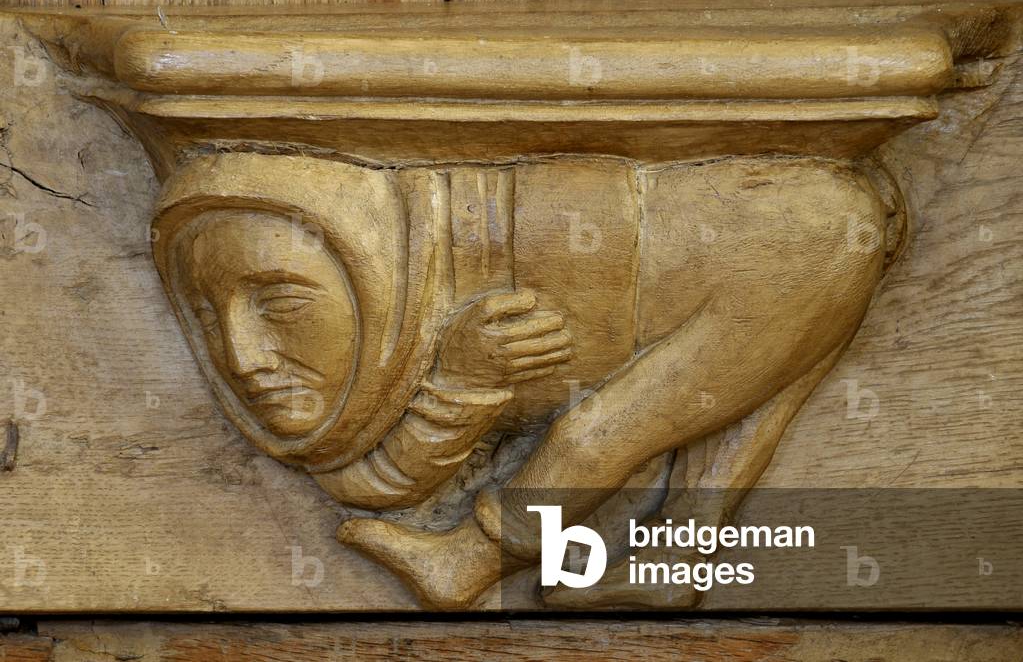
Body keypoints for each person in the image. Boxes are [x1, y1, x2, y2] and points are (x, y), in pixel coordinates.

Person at [153, 152, 891, 608]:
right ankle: (676, 556)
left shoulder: (443, 251)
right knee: (724, 409)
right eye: (207, 315)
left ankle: (467, 561)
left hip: (799, 240)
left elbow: (376, 482)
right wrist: (459, 381)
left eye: (281, 302)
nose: (243, 357)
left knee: (596, 432)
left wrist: (456, 381)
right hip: (817, 225)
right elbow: (369, 481)